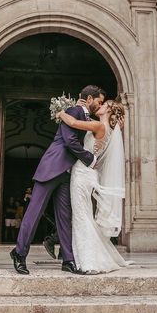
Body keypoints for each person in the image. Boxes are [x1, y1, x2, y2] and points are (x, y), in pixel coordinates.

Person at [9, 85, 104, 275]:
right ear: (90, 99)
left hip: (67, 174)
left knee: (65, 218)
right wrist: (90, 159)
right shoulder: (74, 110)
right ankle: (19, 253)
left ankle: (68, 260)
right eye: (99, 102)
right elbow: (70, 141)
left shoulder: (83, 115)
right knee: (34, 213)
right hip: (52, 168)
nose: (99, 105)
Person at [56, 100, 131, 273]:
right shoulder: (110, 130)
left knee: (81, 216)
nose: (101, 105)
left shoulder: (99, 125)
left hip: (82, 174)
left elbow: (74, 123)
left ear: (109, 110)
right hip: (89, 173)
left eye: (105, 104)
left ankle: (88, 261)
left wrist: (61, 113)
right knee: (84, 215)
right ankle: (85, 256)